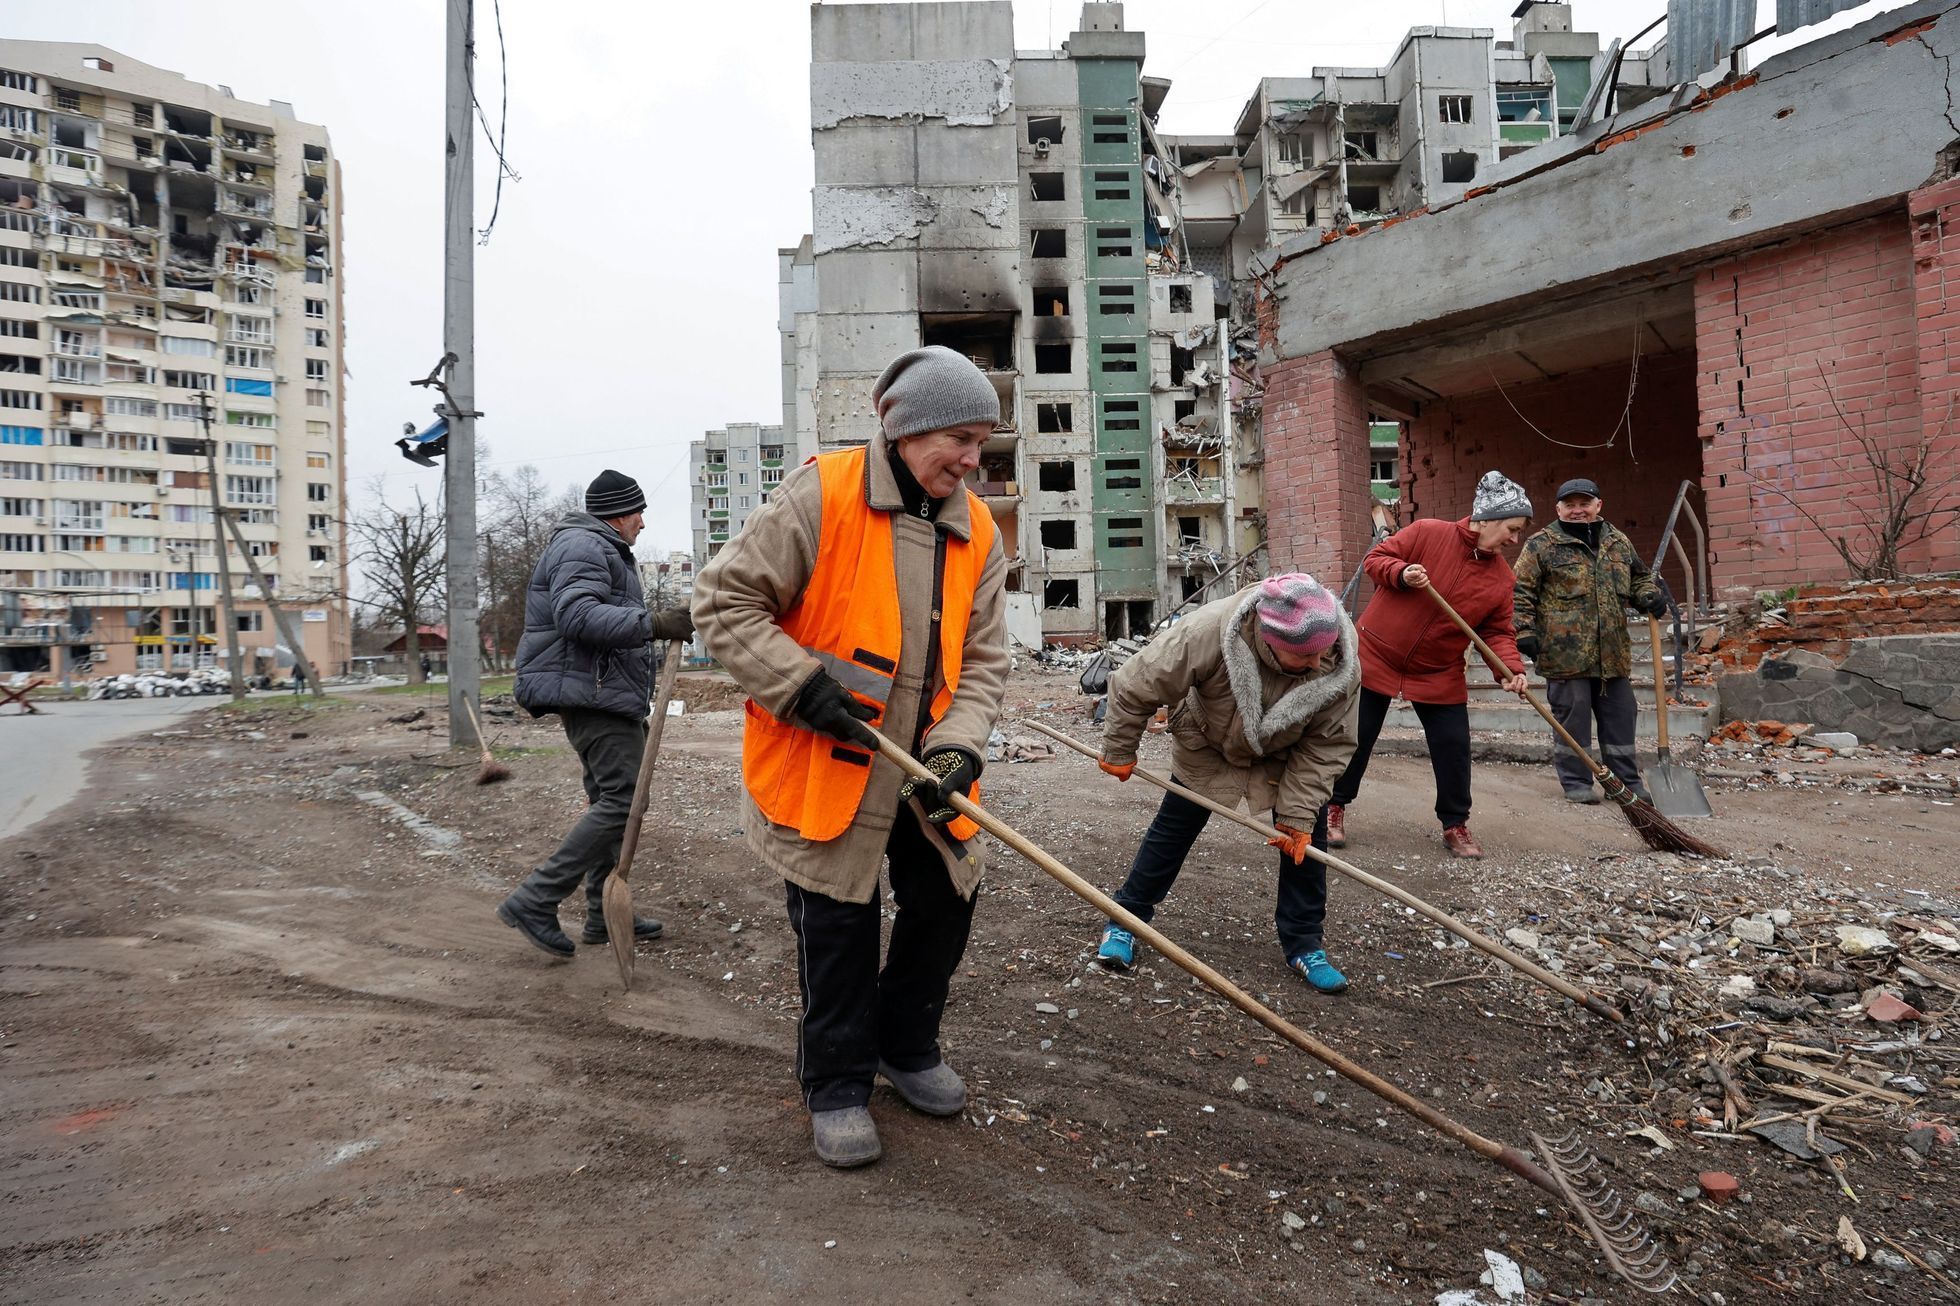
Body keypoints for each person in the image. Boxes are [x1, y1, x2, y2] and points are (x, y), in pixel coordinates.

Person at [694, 345, 1009, 1169]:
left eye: (985, 443)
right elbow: (723, 602)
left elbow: (983, 662)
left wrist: (959, 748)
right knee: (837, 926)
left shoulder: (975, 527)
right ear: (911, 430)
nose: (975, 461)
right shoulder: (822, 493)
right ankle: (835, 1084)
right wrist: (795, 685)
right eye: (964, 439)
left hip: (920, 768)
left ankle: (905, 1048)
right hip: (824, 755)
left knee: (946, 902)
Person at [1092, 574, 1361, 992]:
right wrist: (1120, 749)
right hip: (1207, 741)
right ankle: (1126, 919)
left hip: (1287, 754)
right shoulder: (1209, 632)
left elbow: (1329, 745)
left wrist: (1297, 814)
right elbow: (1134, 684)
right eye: (1305, 656)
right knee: (1173, 831)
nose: (1316, 664)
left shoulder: (1338, 662)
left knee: (1304, 845)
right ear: (1269, 640)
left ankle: (1305, 944)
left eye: (1322, 654)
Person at [497, 469, 695, 958]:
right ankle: (536, 898)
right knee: (624, 800)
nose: (644, 523)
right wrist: (652, 623)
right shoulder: (584, 546)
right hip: (592, 694)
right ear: (619, 513)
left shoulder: (598, 548)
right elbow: (577, 616)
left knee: (609, 799)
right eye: (639, 513)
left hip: (602, 692)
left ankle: (599, 915)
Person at [1325, 471, 1533, 860]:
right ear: (1486, 518)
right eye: (1512, 528)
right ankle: (1333, 808)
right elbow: (1376, 559)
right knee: (1357, 736)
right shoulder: (1428, 532)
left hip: (1437, 670)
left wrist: (1511, 668)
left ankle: (1455, 823)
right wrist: (1401, 573)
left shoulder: (1502, 579)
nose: (1514, 540)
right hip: (1378, 655)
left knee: (1453, 745)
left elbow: (1497, 631)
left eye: (1518, 532)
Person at [1512, 477, 1666, 804]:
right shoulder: (1541, 544)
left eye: (1585, 504)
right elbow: (1519, 591)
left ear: (1598, 506)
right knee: (1573, 718)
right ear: (1558, 509)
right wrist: (1524, 630)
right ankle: (1576, 781)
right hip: (1564, 654)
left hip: (1612, 652)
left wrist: (1649, 595)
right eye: (1570, 505)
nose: (1578, 510)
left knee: (1622, 716)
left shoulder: (1618, 542)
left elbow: (1639, 578)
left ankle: (1624, 781)